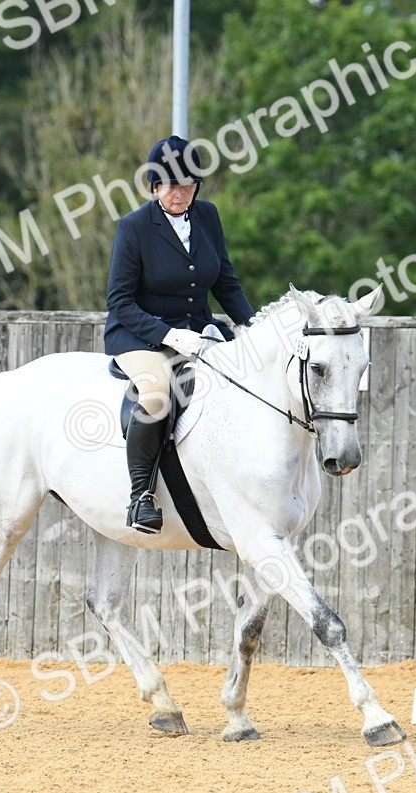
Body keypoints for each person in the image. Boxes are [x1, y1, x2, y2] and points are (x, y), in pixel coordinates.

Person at [103, 135, 256, 534]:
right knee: (156, 394)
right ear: (155, 186)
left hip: (198, 332)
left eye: (188, 185)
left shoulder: (207, 216)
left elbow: (225, 282)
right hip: (139, 336)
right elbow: (119, 301)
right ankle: (141, 498)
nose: (180, 193)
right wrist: (168, 336)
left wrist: (253, 330)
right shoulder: (133, 227)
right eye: (171, 185)